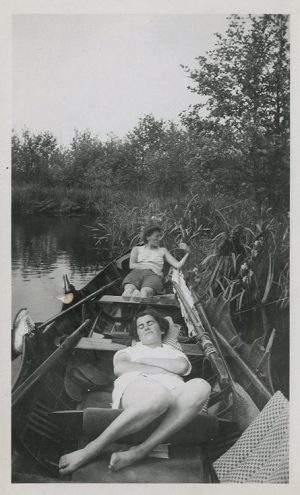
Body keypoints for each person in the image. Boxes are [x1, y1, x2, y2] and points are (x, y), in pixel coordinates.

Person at [58, 309, 211, 474]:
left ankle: (141, 450)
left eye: (150, 323)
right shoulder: (128, 351)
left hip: (173, 398)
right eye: (141, 326)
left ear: (161, 329)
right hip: (139, 391)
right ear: (137, 334)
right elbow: (120, 368)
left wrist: (144, 360)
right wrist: (163, 369)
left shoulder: (175, 352)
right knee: (160, 396)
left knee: (202, 386)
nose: (145, 327)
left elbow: (180, 367)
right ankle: (92, 449)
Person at [122, 224, 191, 299]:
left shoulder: (162, 250)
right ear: (148, 237)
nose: (160, 239)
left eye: (160, 236)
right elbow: (132, 265)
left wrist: (188, 253)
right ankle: (134, 293)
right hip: (136, 273)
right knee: (127, 292)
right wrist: (151, 267)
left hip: (153, 275)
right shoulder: (136, 249)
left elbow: (178, 265)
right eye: (157, 236)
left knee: (144, 294)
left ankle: (138, 294)